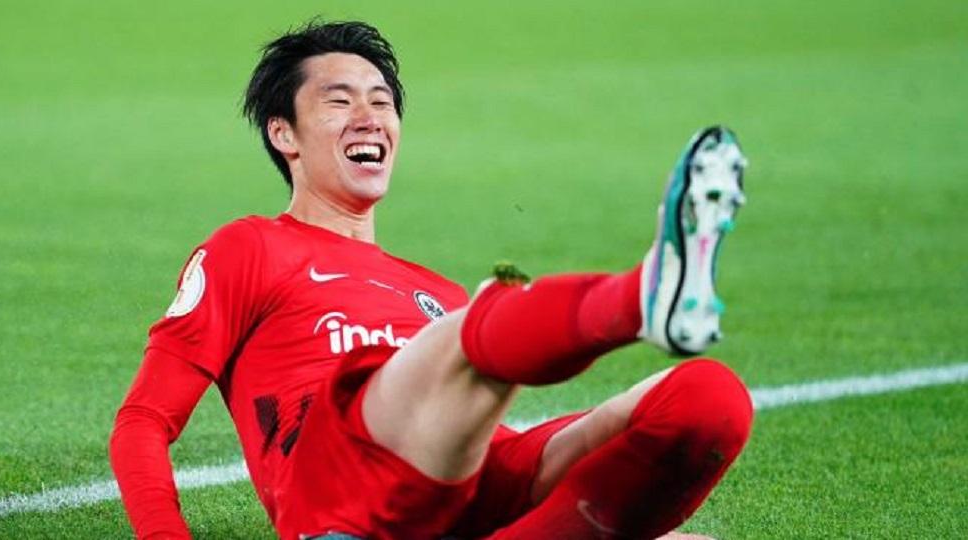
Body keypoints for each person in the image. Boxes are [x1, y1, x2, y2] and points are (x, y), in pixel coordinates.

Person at [109, 19, 752, 540]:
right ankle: (641, 296)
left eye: (381, 101)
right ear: (285, 134)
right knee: (475, 329)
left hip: (462, 483)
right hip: (337, 482)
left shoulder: (433, 291)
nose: (369, 116)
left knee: (708, 399)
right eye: (339, 100)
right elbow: (143, 420)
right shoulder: (249, 247)